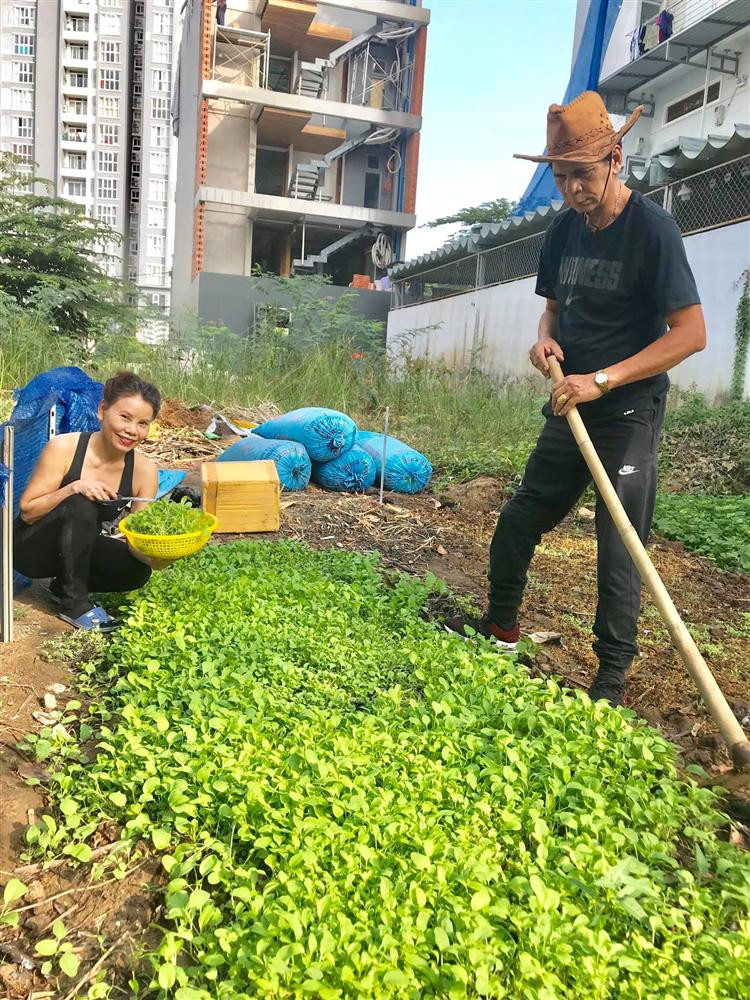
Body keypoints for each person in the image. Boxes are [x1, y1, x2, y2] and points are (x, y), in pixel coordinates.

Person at [445, 91, 706, 707]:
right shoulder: (563, 228)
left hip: (627, 411)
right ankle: (501, 628)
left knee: (620, 545)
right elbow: (554, 311)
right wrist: (545, 344)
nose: (570, 190)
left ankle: (610, 683)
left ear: (616, 159)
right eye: (559, 177)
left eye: (581, 175)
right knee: (520, 516)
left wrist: (605, 380)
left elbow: (690, 334)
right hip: (571, 405)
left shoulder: (653, 231)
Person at [14, 371, 169, 631]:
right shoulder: (64, 448)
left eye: (143, 423)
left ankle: (62, 587)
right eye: (124, 417)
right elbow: (28, 512)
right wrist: (73, 487)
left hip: (75, 549)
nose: (132, 430)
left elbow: (137, 538)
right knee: (80, 501)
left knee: (137, 571)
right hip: (30, 548)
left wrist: (156, 556)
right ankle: (75, 605)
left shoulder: (144, 470)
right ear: (102, 410)